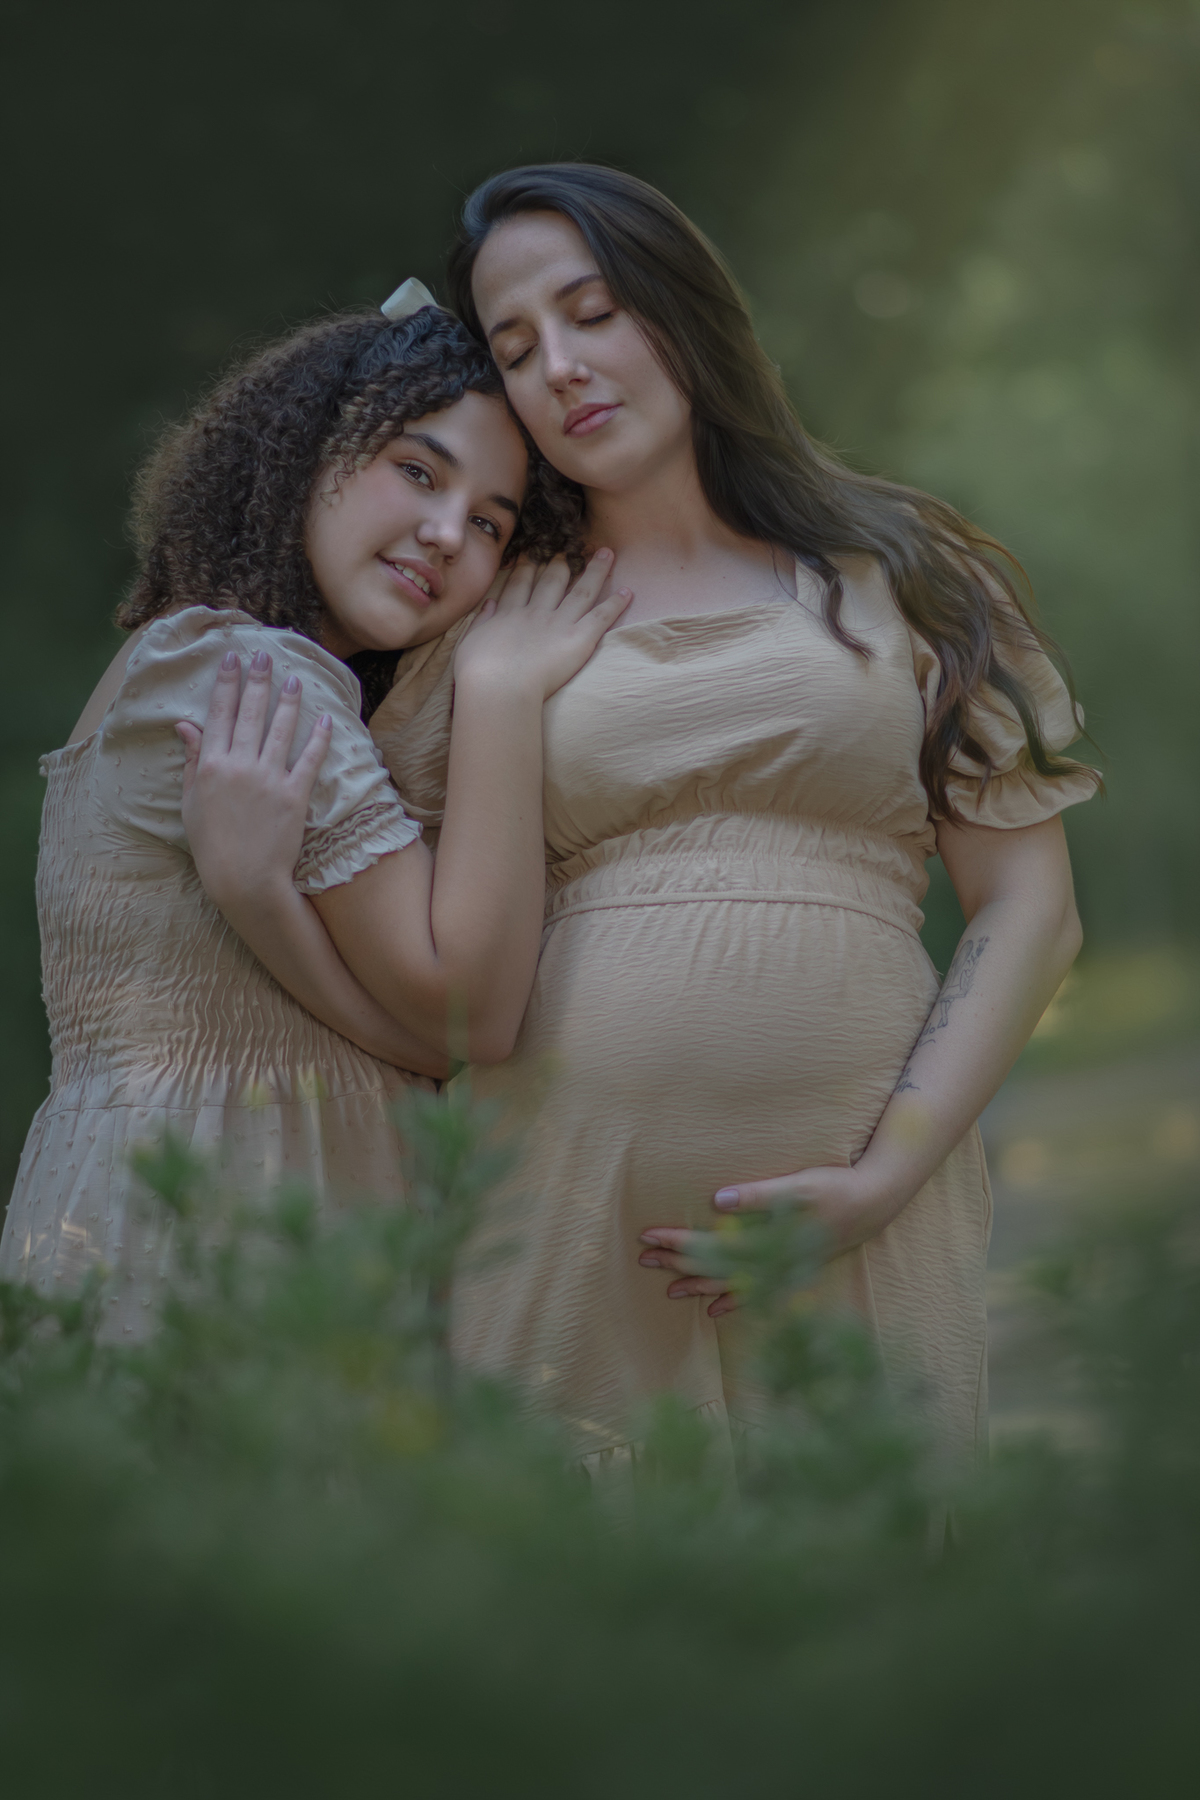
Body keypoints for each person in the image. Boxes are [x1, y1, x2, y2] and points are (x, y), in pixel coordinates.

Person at [188, 165, 1099, 1468]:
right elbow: (433, 988)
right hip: (556, 1223)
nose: (559, 365)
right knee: (597, 1642)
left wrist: (883, 1177)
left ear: (681, 311)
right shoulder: (486, 623)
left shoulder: (907, 576)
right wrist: (262, 881)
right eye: (515, 346)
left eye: (591, 309)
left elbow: (1032, 914)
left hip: (864, 1220)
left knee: (876, 1608)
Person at [0, 295, 629, 1337]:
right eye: (417, 471)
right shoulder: (249, 674)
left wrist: (264, 903)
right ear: (302, 453)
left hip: (130, 1208)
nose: (443, 533)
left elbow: (437, 1047)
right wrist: (508, 696)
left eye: (487, 522)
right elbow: (470, 1018)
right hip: (215, 1233)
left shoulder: (188, 652)